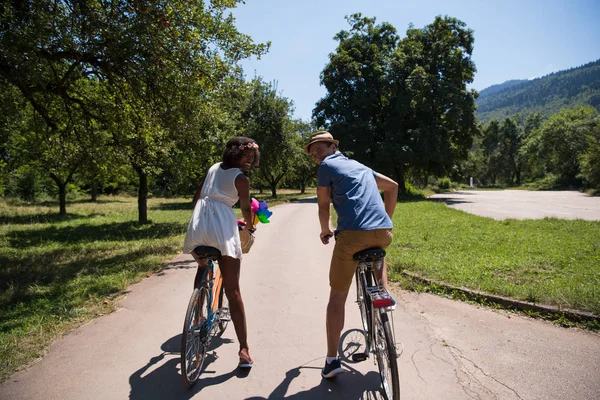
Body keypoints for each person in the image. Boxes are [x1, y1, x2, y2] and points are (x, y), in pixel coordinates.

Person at [304, 130, 399, 379]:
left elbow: (323, 204)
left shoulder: (326, 167)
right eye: (314, 154)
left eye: (320, 148)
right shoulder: (360, 166)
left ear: (333, 146)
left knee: (337, 296)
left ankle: (332, 360)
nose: (317, 155)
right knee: (379, 254)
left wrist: (325, 230)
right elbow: (393, 187)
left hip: (352, 238)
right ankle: (384, 297)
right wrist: (386, 220)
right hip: (383, 233)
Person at [183, 136, 260, 368]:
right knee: (233, 288)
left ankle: (198, 310)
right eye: (246, 155)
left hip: (199, 224)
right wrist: (249, 226)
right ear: (234, 153)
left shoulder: (213, 168)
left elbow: (197, 196)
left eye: (252, 157)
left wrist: (197, 219)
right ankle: (244, 349)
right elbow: (246, 208)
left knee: (202, 264)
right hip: (221, 227)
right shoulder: (241, 178)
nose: (249, 160)